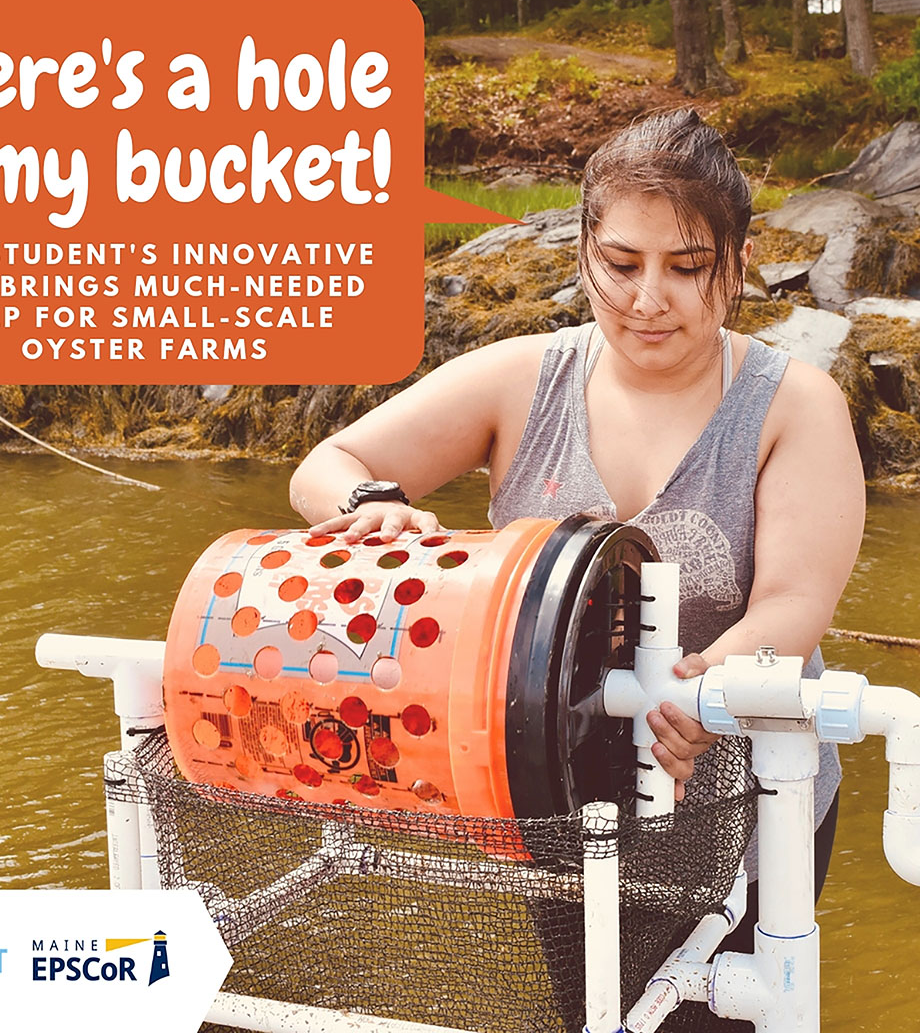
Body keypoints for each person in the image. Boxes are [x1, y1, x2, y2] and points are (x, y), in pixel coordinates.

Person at [289, 109, 865, 993]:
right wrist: (372, 509)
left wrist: (699, 695)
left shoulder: (796, 406)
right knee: (595, 1010)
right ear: (585, 253)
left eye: (687, 268)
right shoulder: (520, 380)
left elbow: (793, 602)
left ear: (739, 262)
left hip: (752, 801)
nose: (647, 299)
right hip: (562, 804)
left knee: (729, 1014)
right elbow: (329, 465)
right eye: (623, 264)